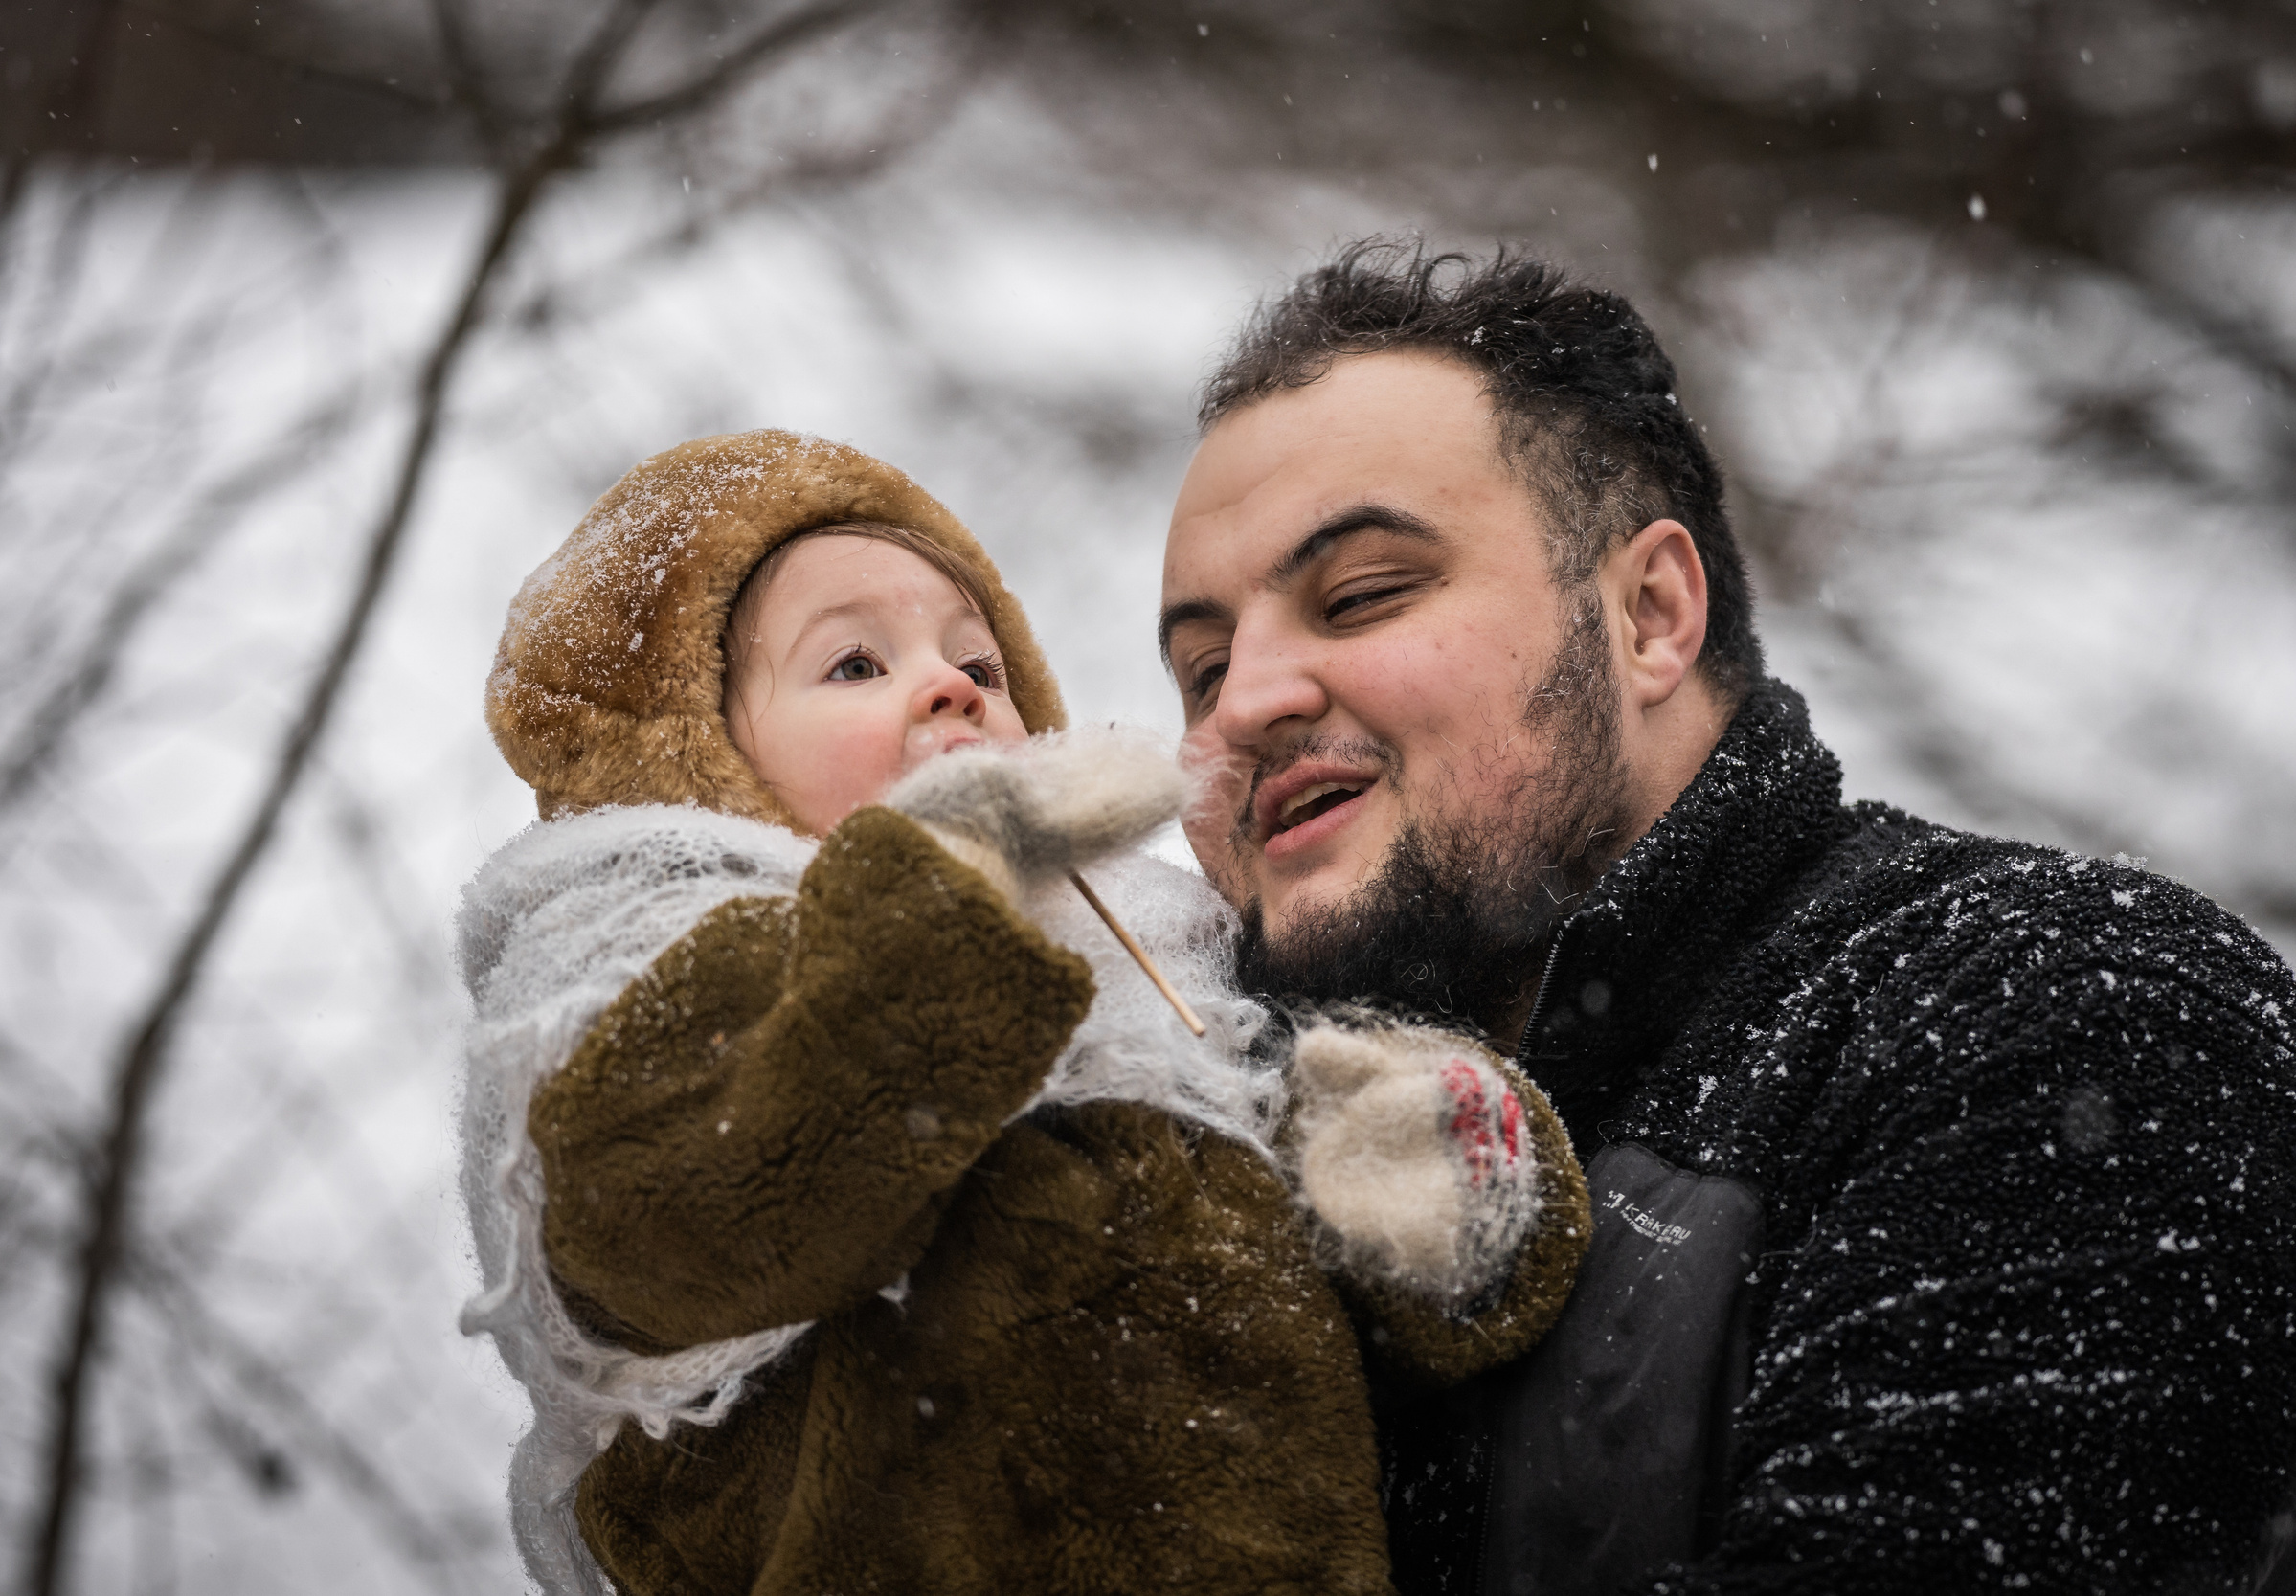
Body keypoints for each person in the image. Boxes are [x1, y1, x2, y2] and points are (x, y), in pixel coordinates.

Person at [1159, 242, 2296, 1596]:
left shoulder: (2067, 1006)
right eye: (1200, 668)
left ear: (1650, 613)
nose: (1244, 705)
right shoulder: (1190, 1187)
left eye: (1360, 594)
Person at [454, 429, 1592, 1596]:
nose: (949, 686)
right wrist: (937, 901)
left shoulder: (1155, 966)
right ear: (698, 757)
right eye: (855, 665)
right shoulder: (661, 975)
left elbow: (1330, 1321)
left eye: (981, 669)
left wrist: (1387, 1171)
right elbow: (689, 1207)